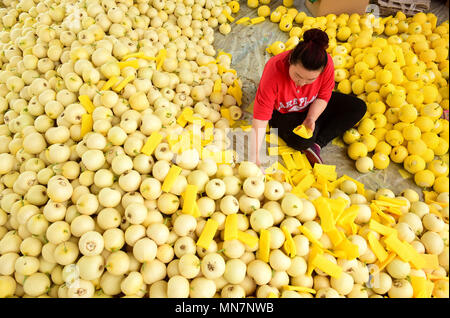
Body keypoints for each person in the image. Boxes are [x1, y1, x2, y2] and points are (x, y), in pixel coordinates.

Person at [249, 28, 367, 167]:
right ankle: (314, 134)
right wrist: (254, 157)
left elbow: (323, 96)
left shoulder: (327, 63)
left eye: (310, 79)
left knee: (358, 107)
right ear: (290, 61)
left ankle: (317, 144)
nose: (302, 83)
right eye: (297, 75)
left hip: (312, 104)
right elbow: (261, 118)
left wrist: (311, 118)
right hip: (283, 112)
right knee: (302, 141)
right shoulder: (274, 70)